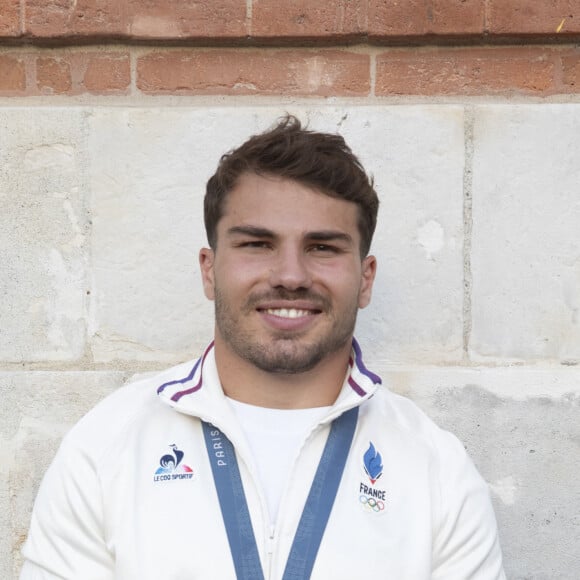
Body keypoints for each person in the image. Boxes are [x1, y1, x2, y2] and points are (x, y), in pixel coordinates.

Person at [21, 115, 506, 579]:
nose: (291, 276)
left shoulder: (434, 468)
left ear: (365, 277)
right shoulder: (107, 446)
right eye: (257, 244)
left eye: (322, 247)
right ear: (210, 270)